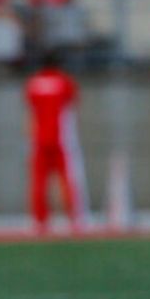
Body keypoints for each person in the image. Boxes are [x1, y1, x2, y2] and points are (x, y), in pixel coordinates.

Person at [25, 52, 89, 233]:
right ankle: (75, 218)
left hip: (39, 138)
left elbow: (30, 113)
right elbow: (73, 108)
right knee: (68, 179)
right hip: (62, 139)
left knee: (39, 182)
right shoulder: (64, 81)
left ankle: (39, 221)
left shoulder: (34, 82)